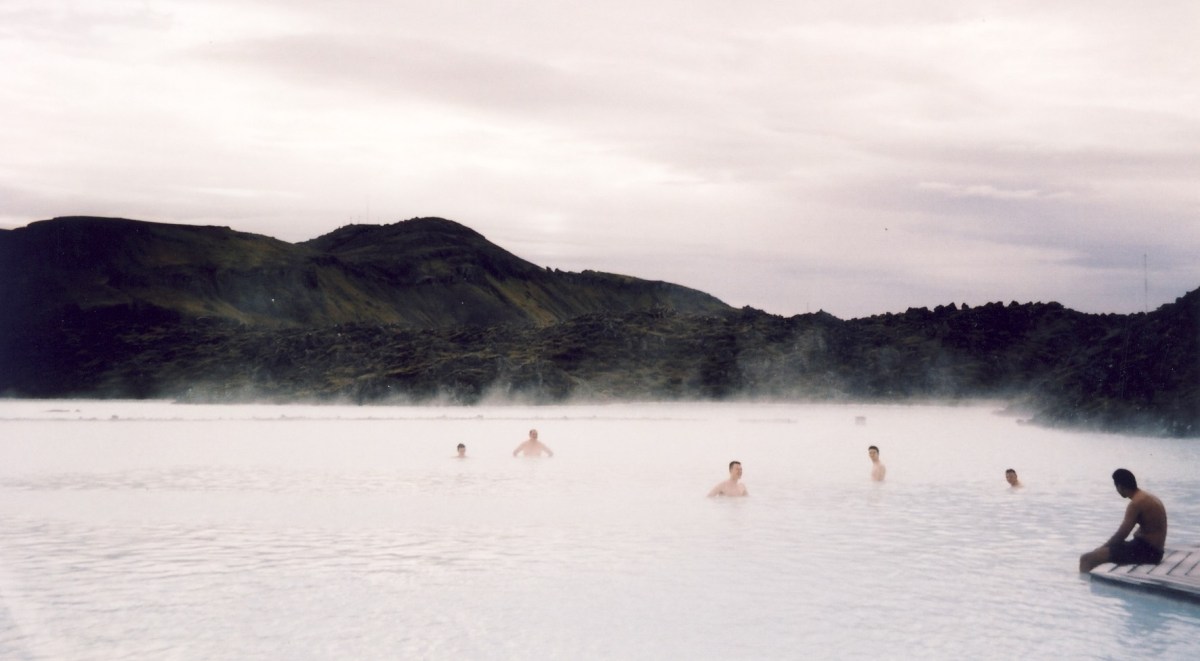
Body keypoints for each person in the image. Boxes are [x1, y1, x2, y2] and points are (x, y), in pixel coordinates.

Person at [1079, 469, 1168, 573]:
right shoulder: (1147, 497)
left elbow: (1122, 534)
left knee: (1086, 558)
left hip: (1147, 553)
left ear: (1120, 486)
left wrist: (1102, 548)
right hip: (1153, 551)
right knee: (1102, 553)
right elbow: (1152, 526)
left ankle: (1083, 581)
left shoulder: (1136, 503)